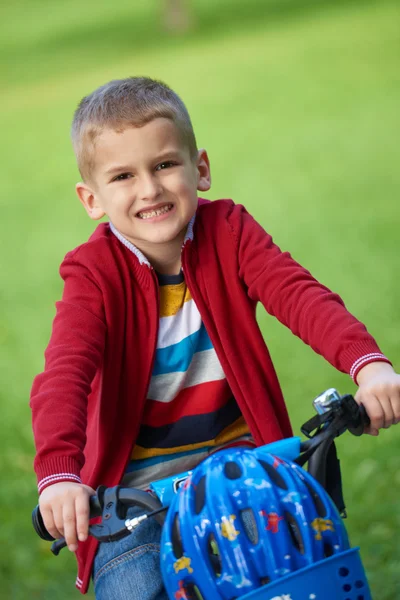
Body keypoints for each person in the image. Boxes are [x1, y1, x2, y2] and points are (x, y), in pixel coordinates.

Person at [30, 76, 400, 600]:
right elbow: (65, 371)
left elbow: (299, 295)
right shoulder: (93, 273)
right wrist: (60, 474)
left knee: (299, 577)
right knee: (134, 588)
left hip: (243, 473)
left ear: (199, 169)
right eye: (123, 176)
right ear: (92, 199)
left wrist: (368, 365)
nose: (150, 189)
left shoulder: (230, 231)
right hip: (134, 500)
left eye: (164, 165)